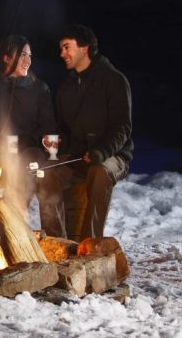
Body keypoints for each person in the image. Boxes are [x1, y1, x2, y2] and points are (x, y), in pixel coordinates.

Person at [38, 24, 132, 240]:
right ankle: (57, 244)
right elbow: (63, 129)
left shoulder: (114, 81)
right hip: (78, 157)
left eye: (66, 47)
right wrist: (56, 143)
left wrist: (101, 151)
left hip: (111, 156)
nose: (62, 53)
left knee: (99, 172)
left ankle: (89, 245)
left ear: (84, 48)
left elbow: (122, 127)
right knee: (45, 173)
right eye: (61, 48)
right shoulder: (66, 88)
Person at [0, 35, 57, 226]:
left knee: (42, 175)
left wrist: (49, 148)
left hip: (32, 153)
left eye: (29, 55)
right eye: (21, 55)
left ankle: (56, 239)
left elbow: (48, 126)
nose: (27, 60)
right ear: (6, 58)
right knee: (15, 168)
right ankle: (12, 231)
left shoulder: (39, 89)